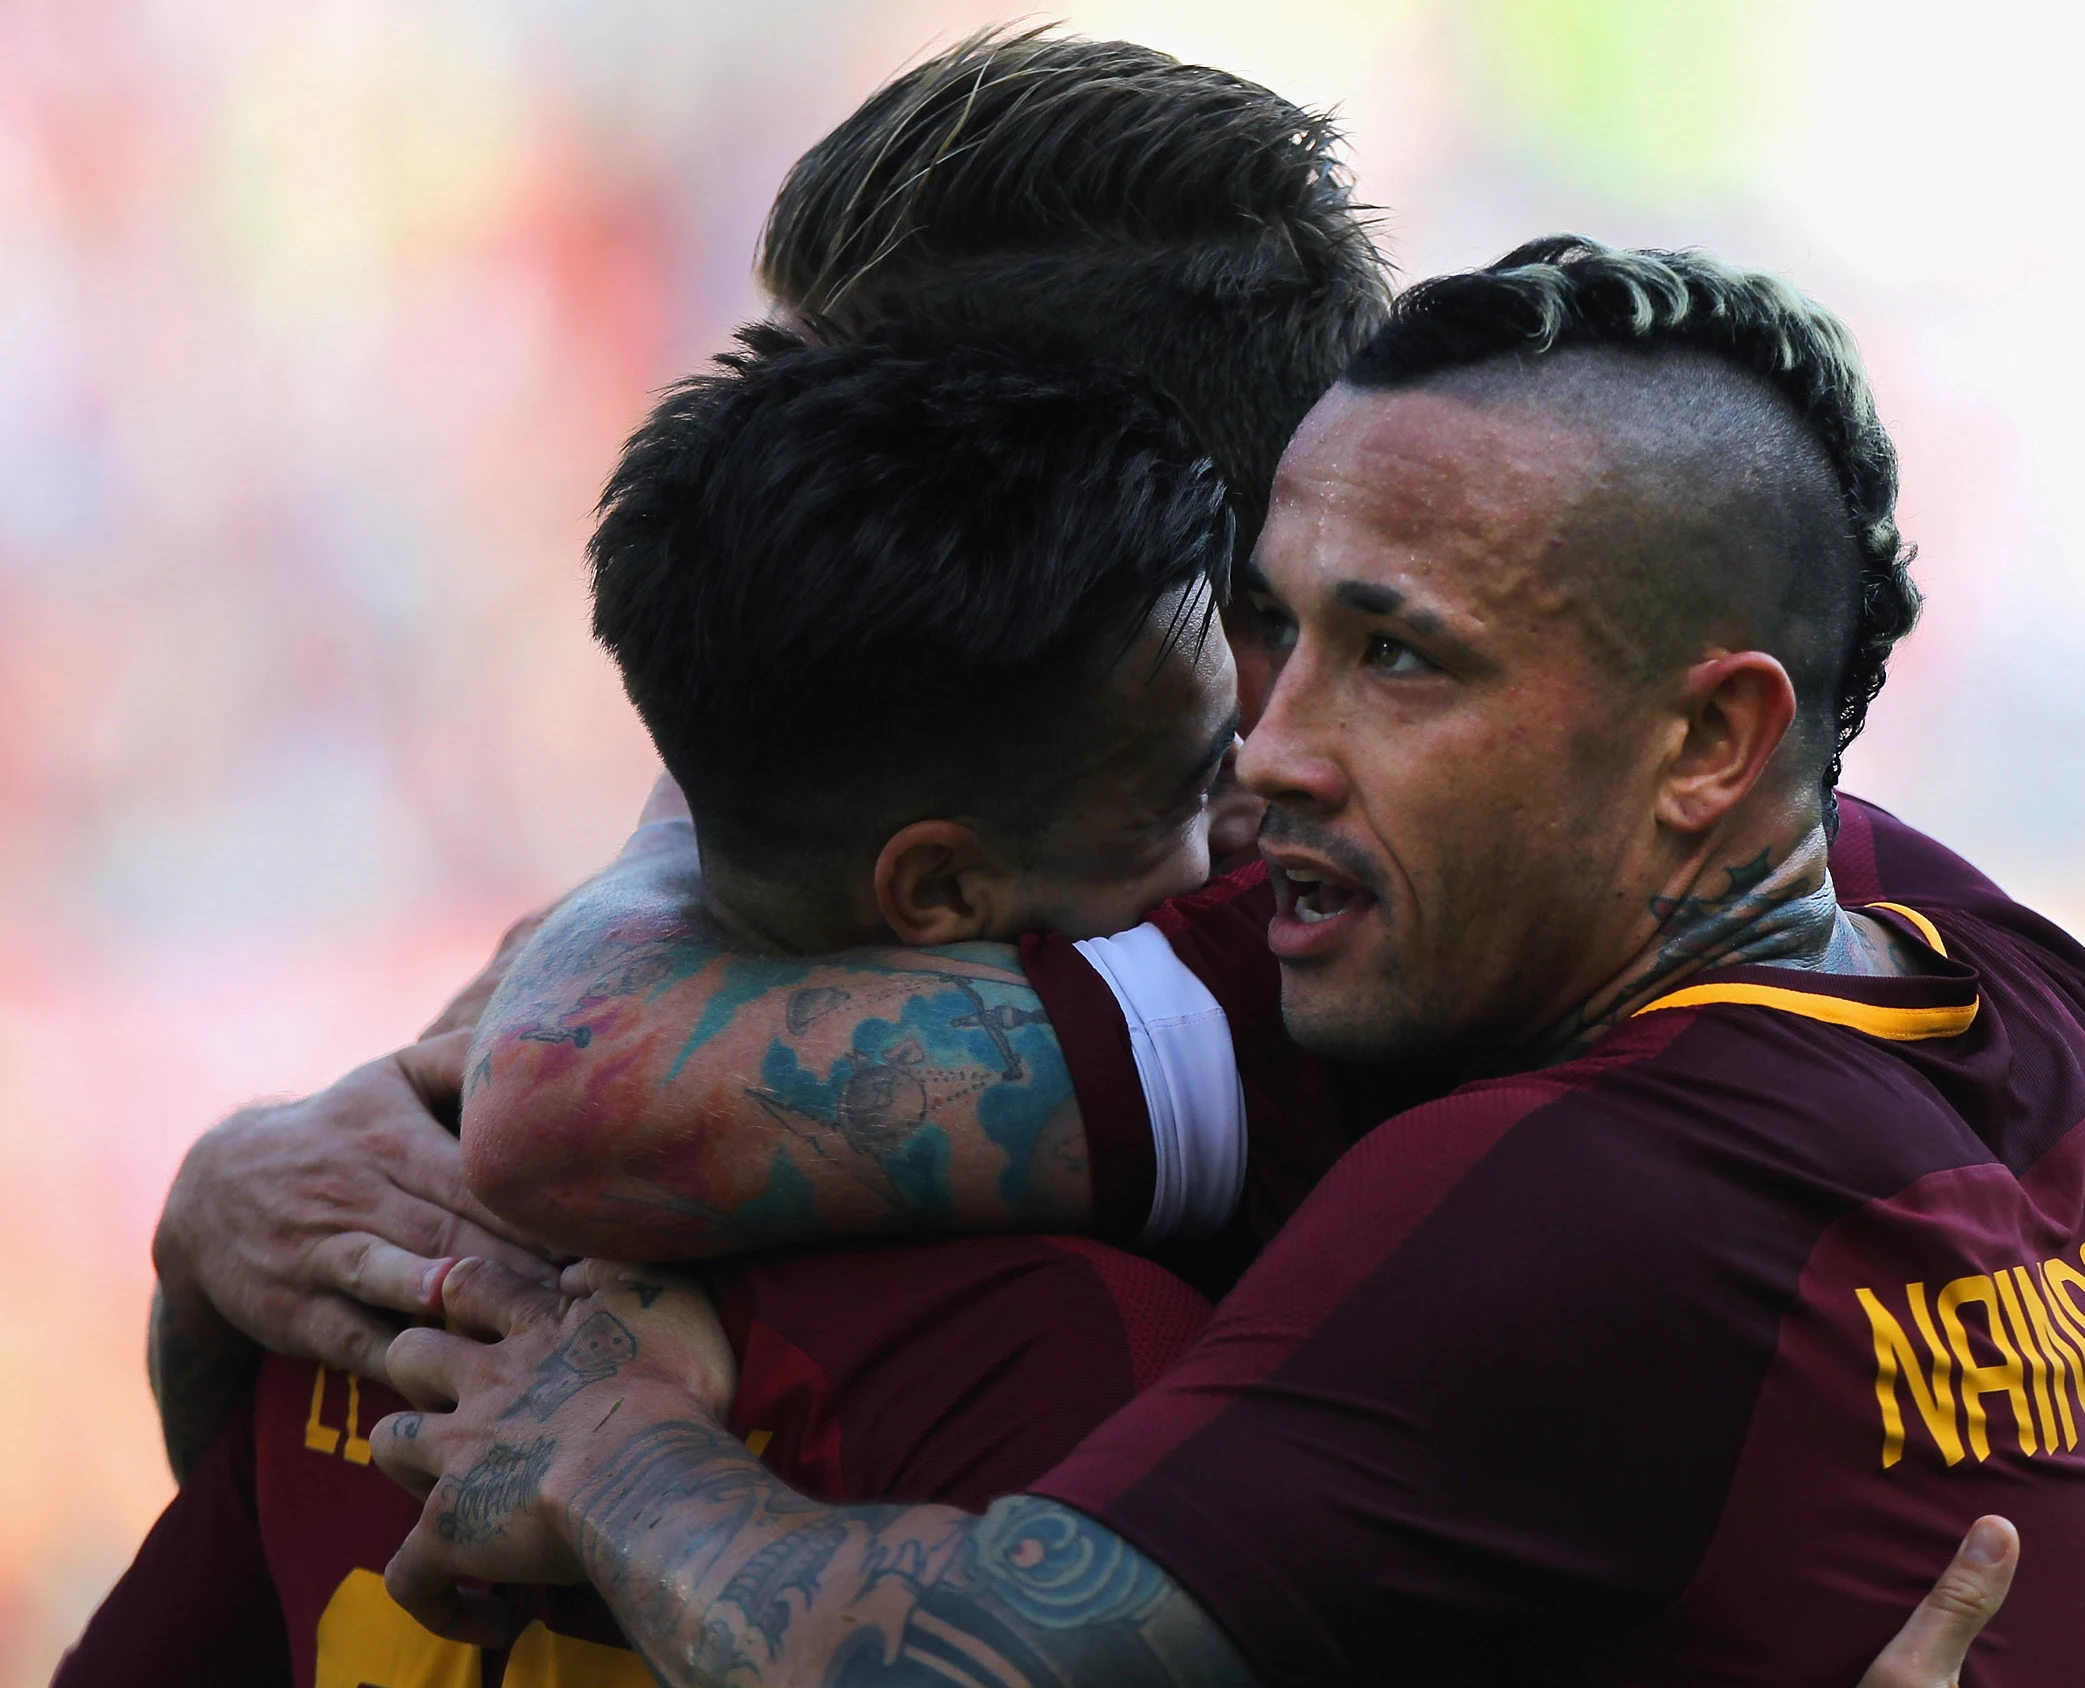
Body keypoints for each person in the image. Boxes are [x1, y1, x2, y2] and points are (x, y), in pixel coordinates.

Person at [374, 239, 2085, 1686]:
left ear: (1708, 749)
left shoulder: (1574, 1194)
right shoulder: (2000, 963)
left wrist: (613, 1462)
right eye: (1271, 631)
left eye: (1403, 658)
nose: (1267, 748)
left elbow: (981, 1658)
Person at [138, 22, 1386, 1483]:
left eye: (818, 413)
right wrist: (219, 1220)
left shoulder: (1304, 956)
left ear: (1052, 486)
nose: (751, 464)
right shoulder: (874, 857)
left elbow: (556, 1099)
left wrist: (224, 1218)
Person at [59, 323, 1252, 1685]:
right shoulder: (1061, 1352)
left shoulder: (378, 1240)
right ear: (938, 891)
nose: (1240, 838)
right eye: (1191, 790)